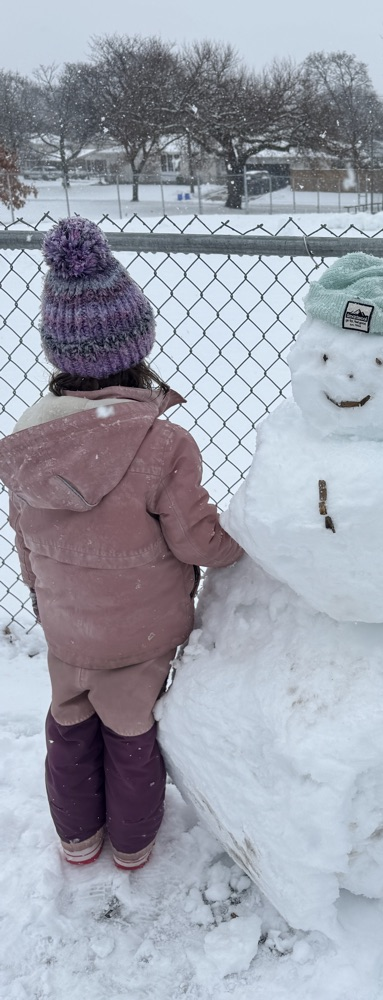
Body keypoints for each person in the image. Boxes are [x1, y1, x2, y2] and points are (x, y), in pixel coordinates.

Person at [0, 217, 244, 871]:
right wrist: (240, 548)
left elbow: (25, 537)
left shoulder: (30, 441)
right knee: (132, 731)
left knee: (69, 724)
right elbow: (196, 539)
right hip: (141, 629)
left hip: (66, 623)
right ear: (137, 344)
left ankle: (78, 837)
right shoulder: (163, 443)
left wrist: (47, 594)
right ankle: (133, 843)